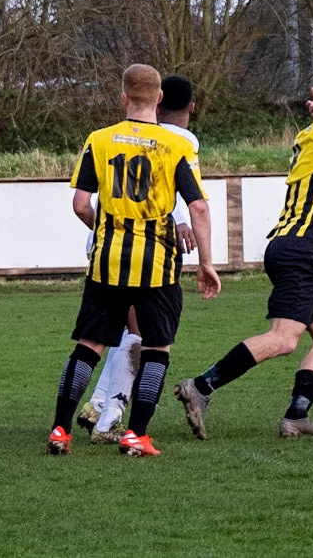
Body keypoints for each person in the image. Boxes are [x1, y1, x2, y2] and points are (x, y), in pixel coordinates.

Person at [48, 64, 220, 458]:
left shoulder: (100, 140)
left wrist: (106, 229)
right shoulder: (175, 146)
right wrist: (206, 263)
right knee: (157, 347)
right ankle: (135, 435)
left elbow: (79, 204)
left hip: (107, 261)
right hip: (156, 264)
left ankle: (60, 430)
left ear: (123, 96)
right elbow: (198, 207)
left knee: (88, 346)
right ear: (159, 99)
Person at [174, 72, 313, 440]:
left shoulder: (307, 136)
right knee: (284, 339)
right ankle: (201, 386)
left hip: (292, 247)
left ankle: (296, 415)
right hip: (301, 249)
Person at [77, 75, 199, 444]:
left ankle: (98, 405)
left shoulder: (117, 134)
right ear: (191, 106)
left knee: (115, 334)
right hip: (145, 249)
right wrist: (181, 224)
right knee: (140, 334)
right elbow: (174, 193)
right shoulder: (180, 140)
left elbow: (85, 200)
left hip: (105, 242)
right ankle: (109, 418)